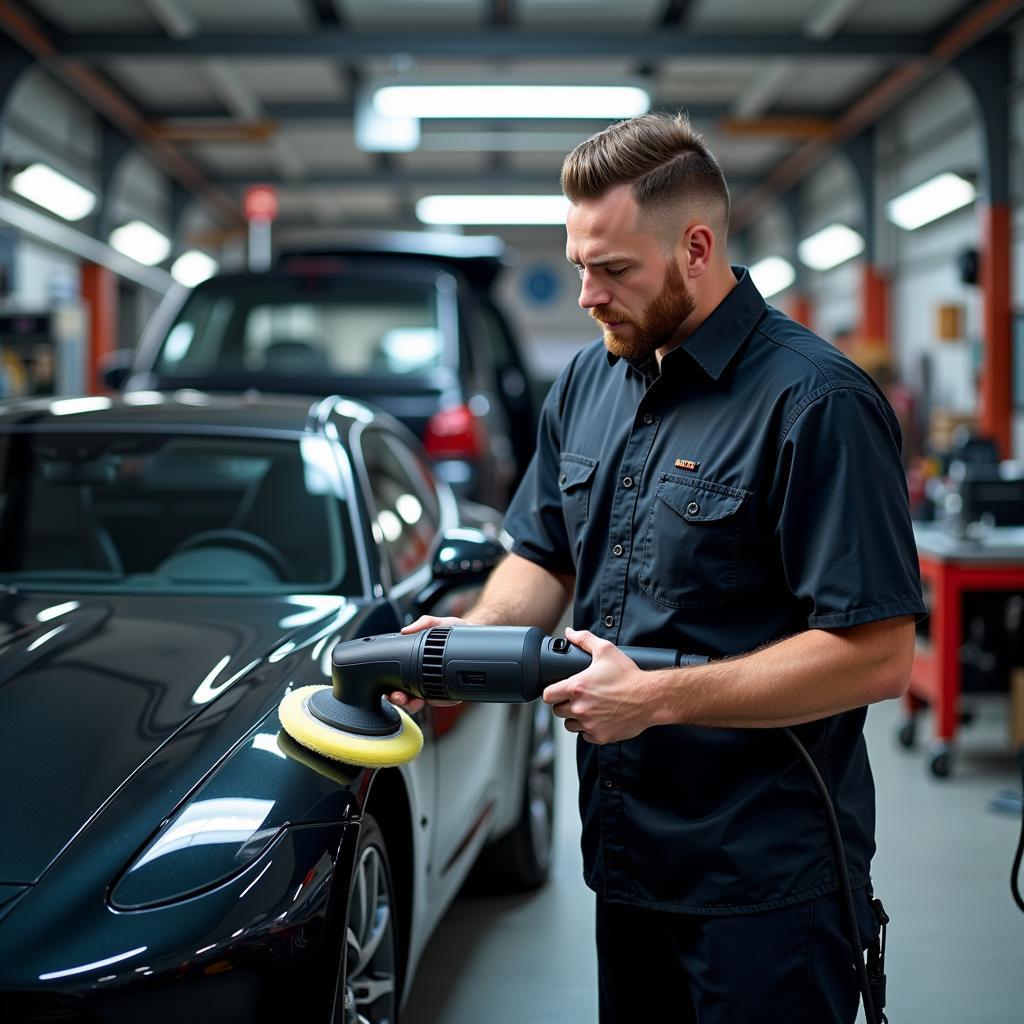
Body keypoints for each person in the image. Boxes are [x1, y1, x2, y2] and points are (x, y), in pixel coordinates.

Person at [391, 112, 925, 1024]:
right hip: (628, 854)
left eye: (614, 270)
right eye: (578, 266)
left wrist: (658, 697)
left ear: (697, 247)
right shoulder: (592, 381)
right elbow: (541, 550)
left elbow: (875, 655)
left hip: (767, 875)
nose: (588, 296)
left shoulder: (815, 402)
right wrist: (464, 648)